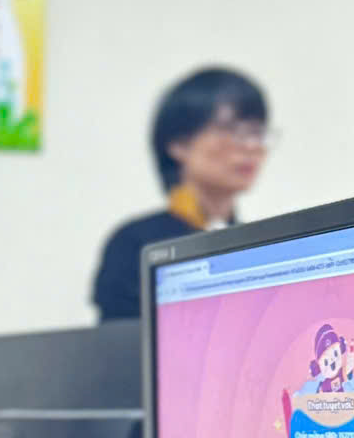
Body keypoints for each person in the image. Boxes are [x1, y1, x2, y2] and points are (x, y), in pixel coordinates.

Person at [90, 66, 272, 321]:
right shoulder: (134, 243)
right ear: (179, 144)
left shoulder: (259, 245)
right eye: (232, 130)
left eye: (257, 133)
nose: (251, 147)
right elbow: (119, 351)